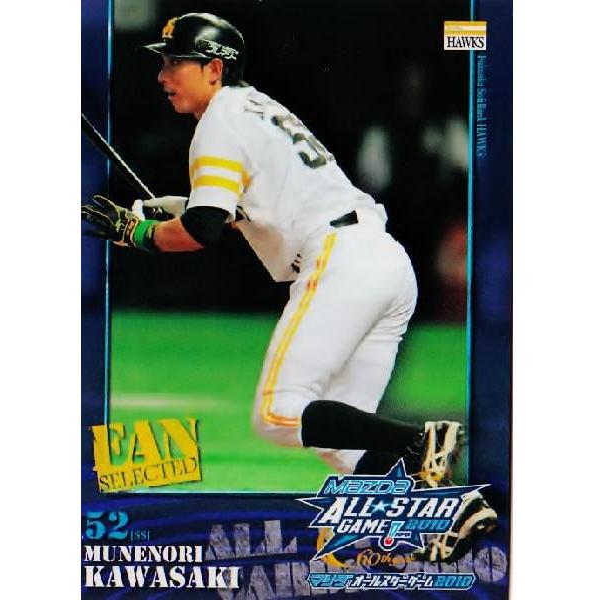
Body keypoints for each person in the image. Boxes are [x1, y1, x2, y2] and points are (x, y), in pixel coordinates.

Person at [82, 12, 495, 561]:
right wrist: (168, 212)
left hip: (341, 262)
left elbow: (204, 230)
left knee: (277, 415)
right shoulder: (255, 108)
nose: (162, 74)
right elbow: (231, 211)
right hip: (383, 261)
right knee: (342, 444)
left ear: (213, 68)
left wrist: (136, 233)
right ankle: (455, 514)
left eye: (175, 61)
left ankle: (421, 440)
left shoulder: (218, 125)